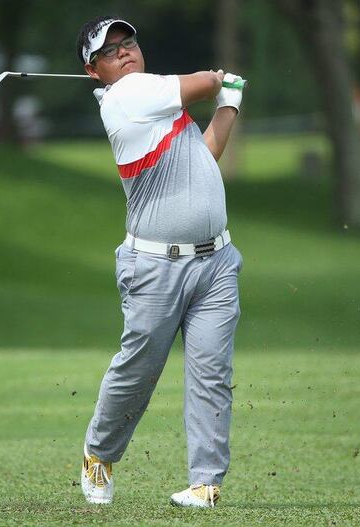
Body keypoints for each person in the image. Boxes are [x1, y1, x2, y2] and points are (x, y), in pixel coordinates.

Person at [76, 15, 244, 508]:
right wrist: (221, 80)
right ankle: (98, 455)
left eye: (129, 43)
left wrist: (228, 104)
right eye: (110, 51)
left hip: (216, 264)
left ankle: (205, 483)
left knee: (212, 372)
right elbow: (202, 82)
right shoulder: (129, 97)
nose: (125, 52)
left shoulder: (159, 106)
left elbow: (203, 157)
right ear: (94, 71)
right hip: (154, 269)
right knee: (138, 372)